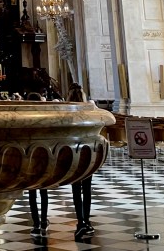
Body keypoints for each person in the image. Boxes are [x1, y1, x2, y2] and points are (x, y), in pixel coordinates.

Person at [67, 84, 94, 240]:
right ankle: (87, 220)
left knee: (76, 189)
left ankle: (80, 221)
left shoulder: (68, 113)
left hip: (74, 153)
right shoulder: (89, 111)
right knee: (87, 189)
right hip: (88, 152)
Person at [25, 93, 48, 237]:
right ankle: (43, 221)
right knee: (43, 191)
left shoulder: (25, 118)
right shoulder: (44, 118)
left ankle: (36, 223)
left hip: (30, 158)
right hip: (43, 156)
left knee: (32, 193)